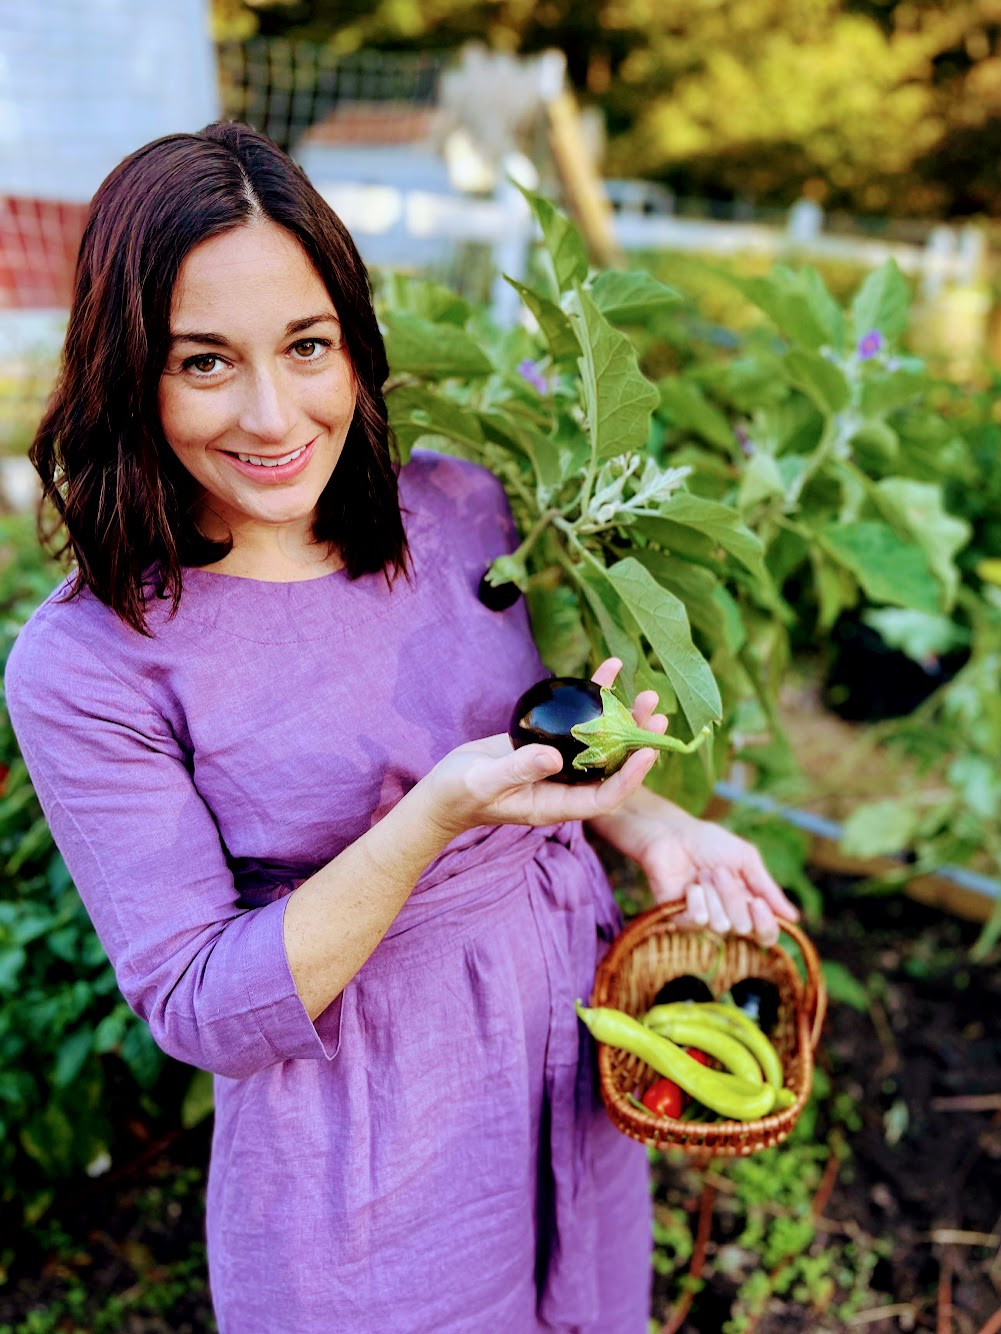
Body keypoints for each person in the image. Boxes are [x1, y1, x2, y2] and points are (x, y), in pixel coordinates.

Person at [4, 121, 798, 1334]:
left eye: (306, 345)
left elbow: (520, 746)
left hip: (563, 1072)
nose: (273, 415)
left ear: (355, 341)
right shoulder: (89, 659)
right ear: (125, 370)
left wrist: (649, 817)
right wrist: (429, 816)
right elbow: (199, 1002)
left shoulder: (458, 507)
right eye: (203, 362)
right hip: (369, 1154)